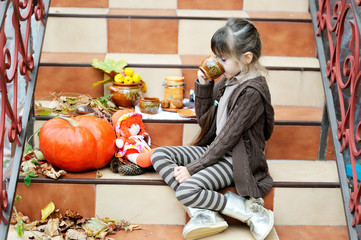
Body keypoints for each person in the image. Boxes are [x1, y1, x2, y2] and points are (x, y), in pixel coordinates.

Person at [151, 18, 275, 240]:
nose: (216, 62)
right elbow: (205, 121)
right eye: (216, 56)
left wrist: (194, 168)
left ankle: (248, 211)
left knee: (186, 190)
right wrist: (204, 85)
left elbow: (227, 139)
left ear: (246, 58)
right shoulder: (230, 78)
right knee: (159, 154)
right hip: (214, 151)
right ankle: (204, 214)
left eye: (223, 58)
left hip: (235, 160)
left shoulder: (252, 92)